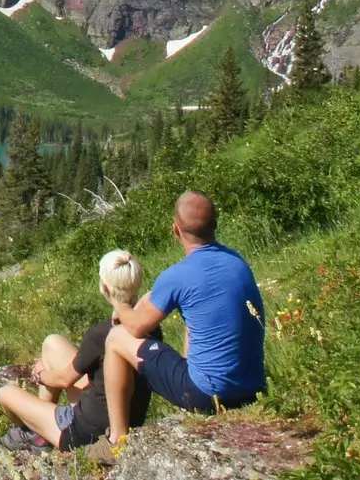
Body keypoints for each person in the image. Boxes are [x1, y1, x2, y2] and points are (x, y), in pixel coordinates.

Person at [93, 190, 266, 461]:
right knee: (195, 321)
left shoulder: (177, 275)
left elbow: (137, 328)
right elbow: (192, 297)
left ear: (176, 229)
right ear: (214, 225)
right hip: (252, 389)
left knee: (116, 338)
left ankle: (116, 440)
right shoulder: (237, 262)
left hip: (208, 394)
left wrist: (121, 305)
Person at [0, 250, 153, 452]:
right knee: (52, 343)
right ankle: (40, 433)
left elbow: (63, 380)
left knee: (5, 393)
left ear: (104, 287)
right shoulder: (149, 327)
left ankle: (38, 433)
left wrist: (41, 375)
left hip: (85, 429)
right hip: (125, 417)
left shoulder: (100, 335)